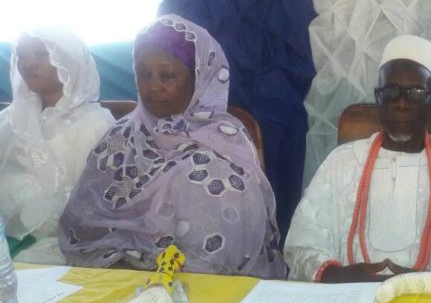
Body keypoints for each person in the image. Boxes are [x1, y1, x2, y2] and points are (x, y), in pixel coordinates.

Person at [59, 15, 286, 278]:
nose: (153, 86)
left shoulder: (225, 146)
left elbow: (224, 251)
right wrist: (123, 268)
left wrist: (157, 277)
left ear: (198, 79)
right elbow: (83, 221)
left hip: (203, 286)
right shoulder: (121, 137)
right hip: (114, 276)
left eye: (167, 75)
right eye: (144, 74)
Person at [284, 35, 431, 297]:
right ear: (378, 97)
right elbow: (303, 242)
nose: (402, 103)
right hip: (344, 301)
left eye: (416, 93)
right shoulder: (340, 162)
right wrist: (337, 275)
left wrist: (421, 284)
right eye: (391, 91)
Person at [0, 28, 113, 264]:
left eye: (41, 54)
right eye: (21, 55)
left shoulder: (96, 124)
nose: (28, 64)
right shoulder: (9, 120)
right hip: (8, 237)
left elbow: (101, 203)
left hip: (68, 243)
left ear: (68, 59)